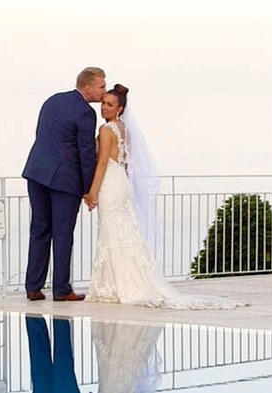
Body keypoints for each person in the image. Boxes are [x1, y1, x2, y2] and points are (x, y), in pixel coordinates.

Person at [84, 84, 246, 309]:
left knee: (112, 233)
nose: (104, 108)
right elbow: (125, 162)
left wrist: (92, 192)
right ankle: (120, 283)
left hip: (111, 184)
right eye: (103, 103)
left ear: (120, 108)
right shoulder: (124, 129)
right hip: (122, 183)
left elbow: (102, 163)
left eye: (109, 105)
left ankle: (114, 285)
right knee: (124, 233)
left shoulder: (105, 130)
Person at [22, 67, 106, 302]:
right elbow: (86, 152)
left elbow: (41, 133)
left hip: (37, 172)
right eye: (101, 87)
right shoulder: (86, 113)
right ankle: (61, 289)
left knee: (39, 230)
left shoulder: (53, 101)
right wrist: (90, 190)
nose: (104, 91)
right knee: (62, 233)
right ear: (87, 87)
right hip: (64, 180)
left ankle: (33, 286)